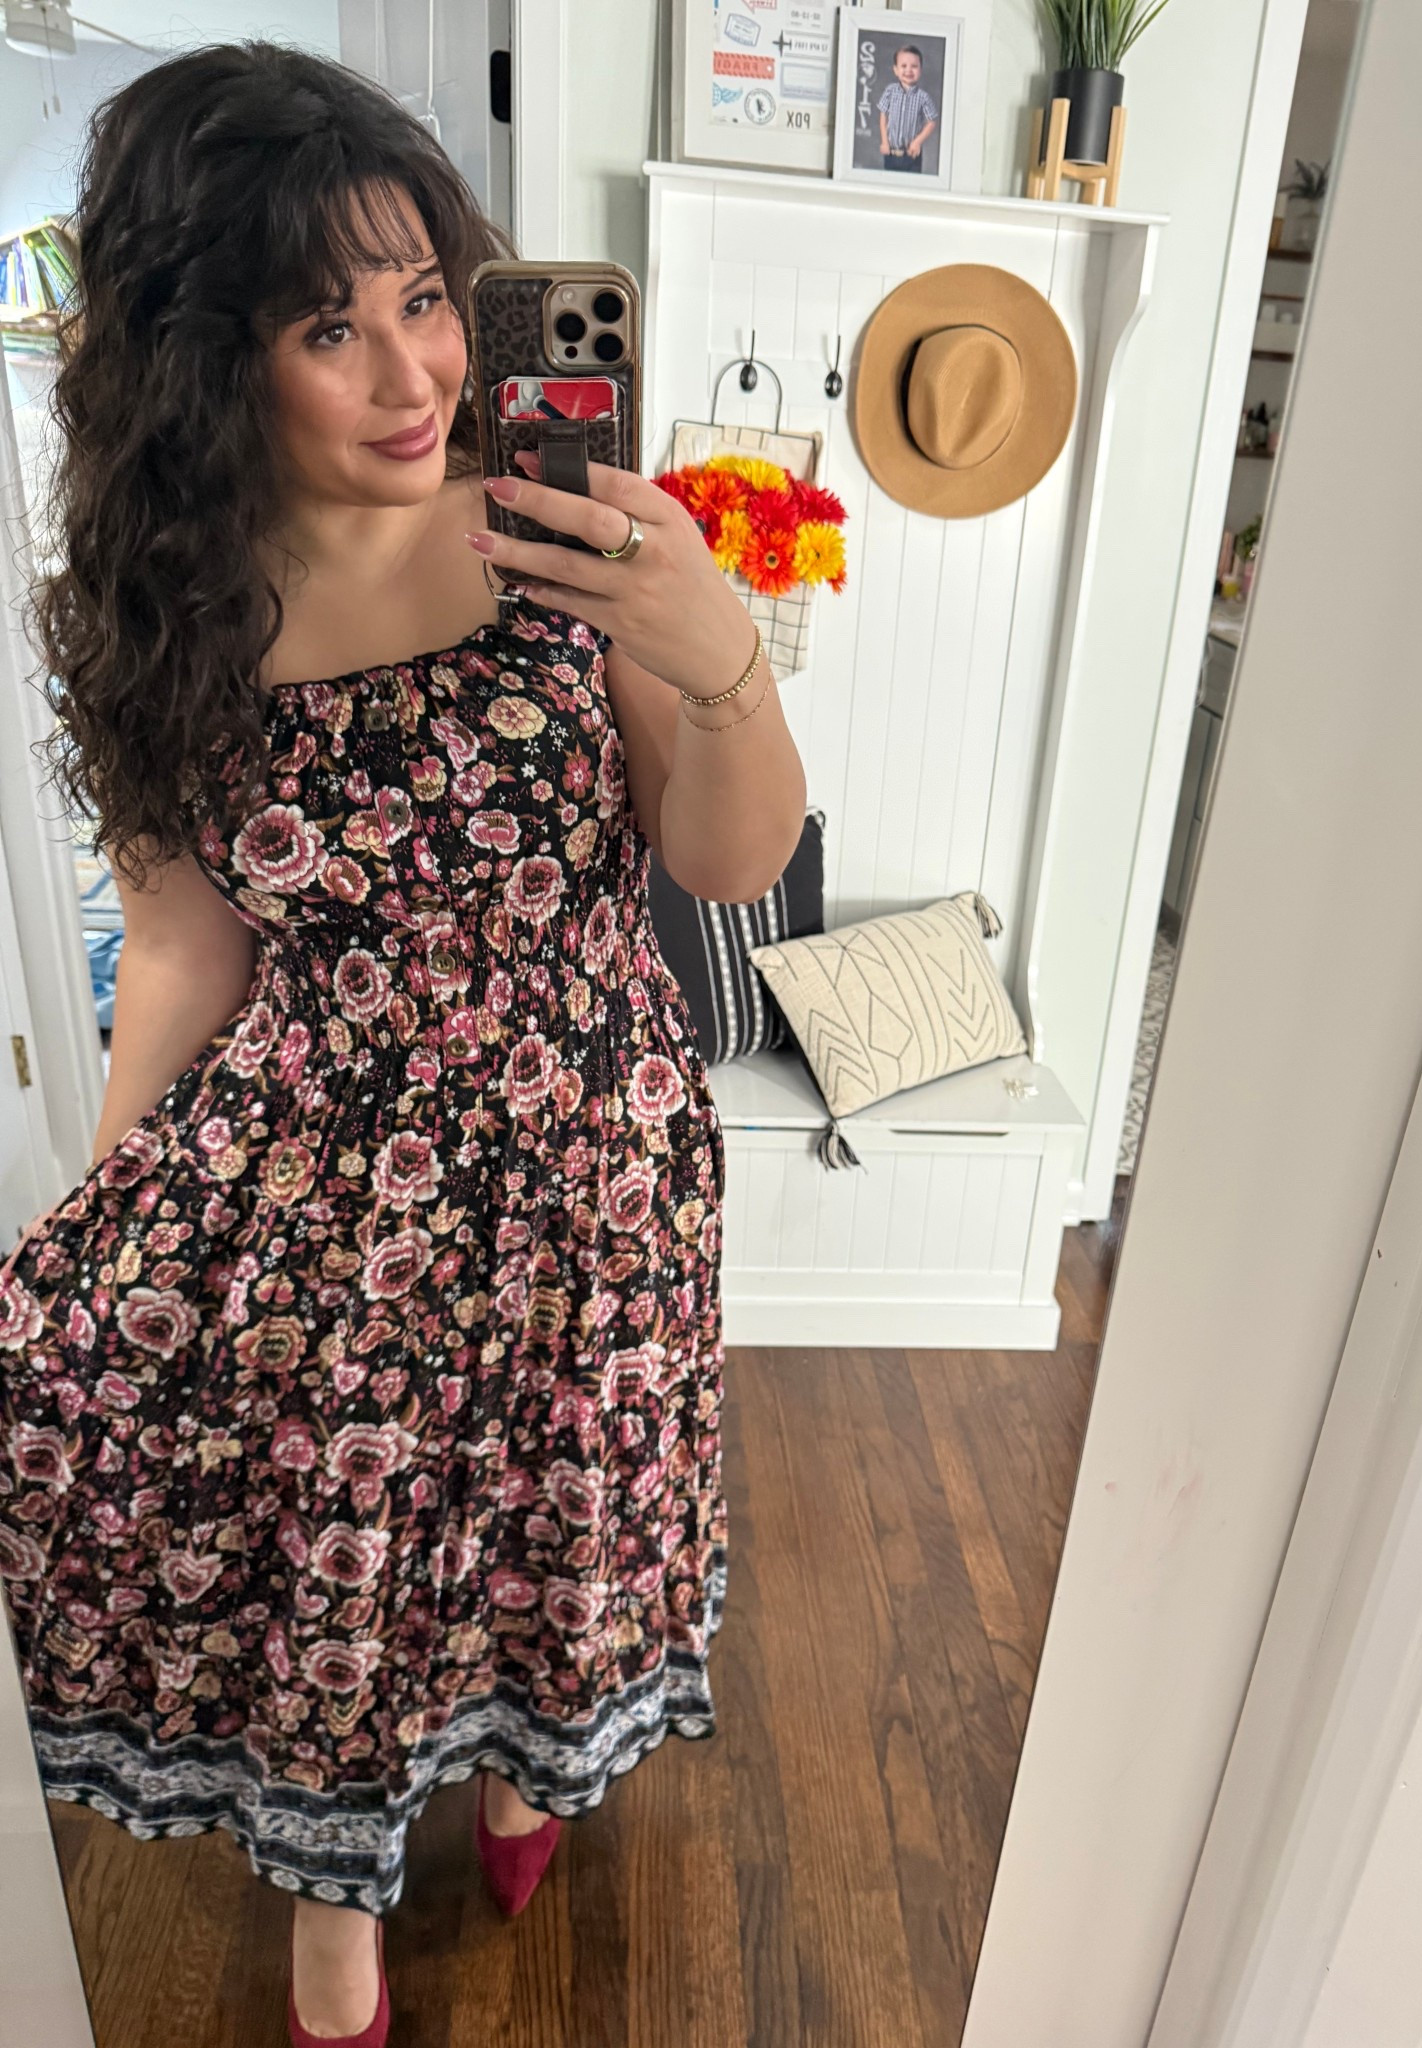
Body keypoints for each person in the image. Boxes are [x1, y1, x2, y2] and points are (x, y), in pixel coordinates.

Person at [0, 40, 805, 2048]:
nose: (413, 372)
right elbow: (180, 945)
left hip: (594, 1152)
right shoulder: (162, 610)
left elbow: (725, 862)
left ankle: (531, 1774)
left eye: (427, 297)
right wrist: (113, 1215)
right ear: (210, 361)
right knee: (342, 1552)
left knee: (560, 1494)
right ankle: (333, 1903)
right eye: (326, 327)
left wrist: (716, 654)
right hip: (321, 1183)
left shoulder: (564, 537)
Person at [877, 43, 939, 174]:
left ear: (920, 70)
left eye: (914, 66)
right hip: (891, 152)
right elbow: (883, 117)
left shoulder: (923, 97)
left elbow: (932, 122)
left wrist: (917, 142)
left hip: (911, 154)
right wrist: (884, 141)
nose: (909, 70)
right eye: (904, 66)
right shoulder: (890, 91)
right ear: (896, 70)